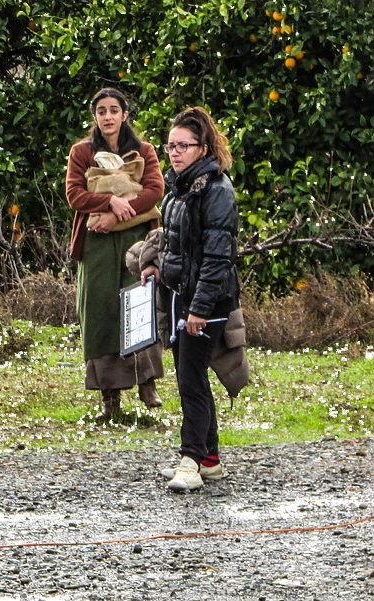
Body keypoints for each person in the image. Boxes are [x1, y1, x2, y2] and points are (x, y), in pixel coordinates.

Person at [140, 107, 240, 492]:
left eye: (183, 145)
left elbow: (217, 257)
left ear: (203, 147)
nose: (175, 152)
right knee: (190, 376)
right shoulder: (180, 188)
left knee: (191, 380)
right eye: (170, 145)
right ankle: (210, 459)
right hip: (183, 296)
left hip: (208, 303)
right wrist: (158, 270)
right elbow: (179, 246)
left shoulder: (217, 191)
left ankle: (191, 460)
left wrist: (199, 308)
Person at [65, 88, 166, 421]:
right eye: (101, 111)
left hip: (137, 239)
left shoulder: (144, 151)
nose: (108, 117)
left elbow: (155, 190)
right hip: (96, 242)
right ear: (95, 117)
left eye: (114, 110)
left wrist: (118, 214)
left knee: (140, 304)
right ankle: (110, 397)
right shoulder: (81, 153)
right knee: (101, 310)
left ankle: (146, 382)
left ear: (125, 114)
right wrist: (108, 201)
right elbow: (75, 195)